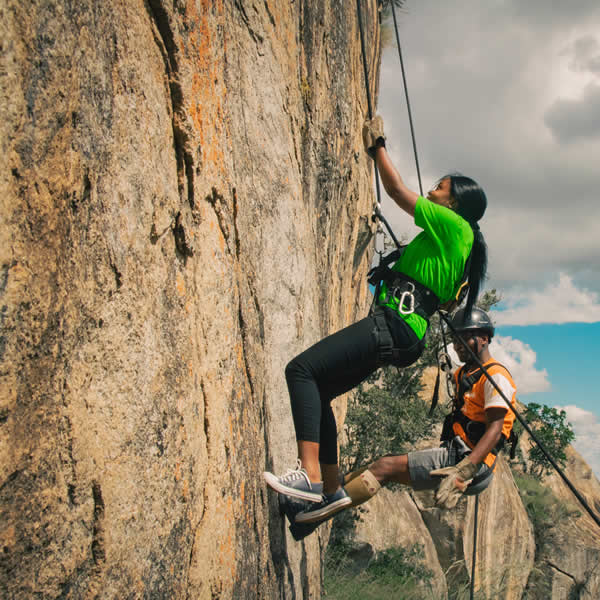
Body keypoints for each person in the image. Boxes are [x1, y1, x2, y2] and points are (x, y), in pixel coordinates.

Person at [263, 115, 489, 522]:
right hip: (404, 330)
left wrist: (378, 146)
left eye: (439, 188)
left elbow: (398, 191)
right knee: (321, 389)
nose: (432, 191)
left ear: (454, 203)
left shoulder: (455, 226)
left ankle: (309, 478)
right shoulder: (456, 244)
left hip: (395, 323)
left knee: (301, 371)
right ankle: (330, 492)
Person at [295, 307, 518, 524]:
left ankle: (314, 514)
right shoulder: (466, 373)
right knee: (381, 466)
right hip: (459, 455)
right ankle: (327, 494)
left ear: (485, 338)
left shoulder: (496, 376)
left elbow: (496, 429)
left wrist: (463, 470)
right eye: (455, 339)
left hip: (469, 463)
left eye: (465, 338)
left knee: (385, 468)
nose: (458, 345)